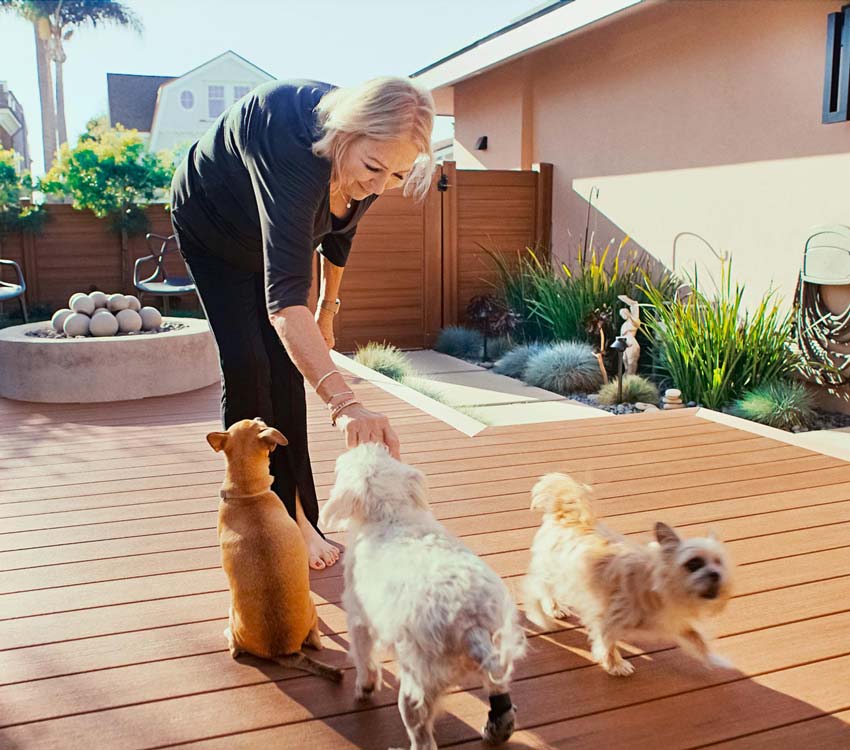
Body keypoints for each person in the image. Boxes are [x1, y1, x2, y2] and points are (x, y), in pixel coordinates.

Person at [170, 77, 435, 569]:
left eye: (396, 176)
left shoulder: (375, 159)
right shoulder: (291, 144)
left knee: (290, 367)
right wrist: (346, 404)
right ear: (344, 133)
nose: (377, 186)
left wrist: (327, 312)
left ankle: (298, 518)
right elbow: (283, 301)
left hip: (278, 239)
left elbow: (338, 238)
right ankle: (253, 518)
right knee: (249, 362)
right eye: (373, 168)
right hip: (215, 227)